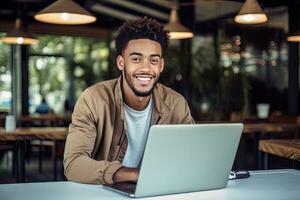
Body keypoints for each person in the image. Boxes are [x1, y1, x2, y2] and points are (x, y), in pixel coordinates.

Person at [63, 17, 194, 185]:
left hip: (159, 192)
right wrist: (135, 174)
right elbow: (73, 164)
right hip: (104, 195)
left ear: (161, 65)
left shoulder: (176, 104)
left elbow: (191, 157)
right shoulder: (93, 100)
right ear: (121, 62)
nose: (146, 68)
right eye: (136, 59)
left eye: (153, 60)